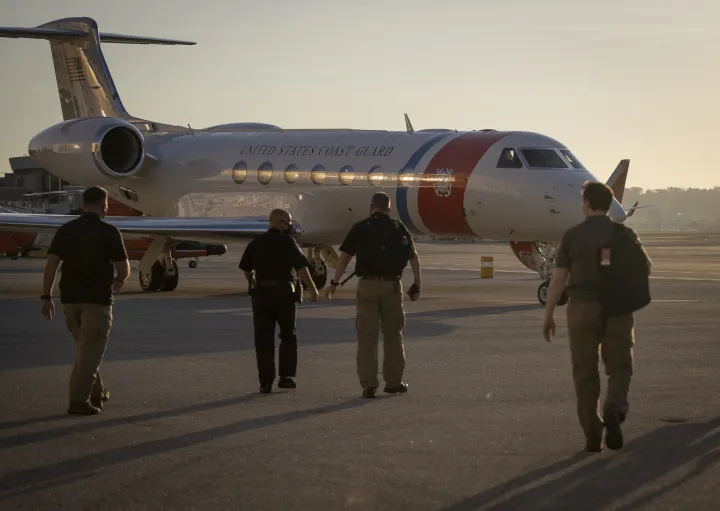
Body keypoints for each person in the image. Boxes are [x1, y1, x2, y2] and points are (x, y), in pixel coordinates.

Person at [543, 181, 651, 452]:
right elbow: (645, 267)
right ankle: (614, 409)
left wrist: (548, 314)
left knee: (585, 374)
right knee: (620, 367)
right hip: (617, 308)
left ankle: (593, 436)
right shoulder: (624, 234)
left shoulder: (572, 236)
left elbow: (557, 280)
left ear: (588, 204)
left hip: (582, 308)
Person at [41, 186, 130, 415]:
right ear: (104, 205)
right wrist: (121, 279)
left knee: (86, 351)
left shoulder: (66, 230)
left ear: (83, 204)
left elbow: (51, 264)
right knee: (90, 353)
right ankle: (78, 402)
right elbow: (124, 267)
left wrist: (46, 296)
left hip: (70, 301)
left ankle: (97, 392)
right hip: (97, 301)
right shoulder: (109, 232)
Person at [326, 192, 421, 398]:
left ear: (371, 207)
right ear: (389, 209)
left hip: (367, 286)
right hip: (392, 286)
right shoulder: (398, 228)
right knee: (393, 334)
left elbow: (345, 257)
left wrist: (334, 282)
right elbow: (413, 257)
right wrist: (417, 282)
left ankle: (369, 384)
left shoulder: (361, 228)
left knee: (367, 336)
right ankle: (393, 382)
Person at [239, 208, 319, 393]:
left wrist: (252, 281)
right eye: (288, 222)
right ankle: (286, 377)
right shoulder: (288, 242)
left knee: (263, 339)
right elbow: (301, 269)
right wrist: (313, 289)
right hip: (283, 294)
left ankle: (265, 381)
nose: (290, 225)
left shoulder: (256, 243)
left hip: (261, 295)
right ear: (280, 222)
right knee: (288, 336)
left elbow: (245, 269)